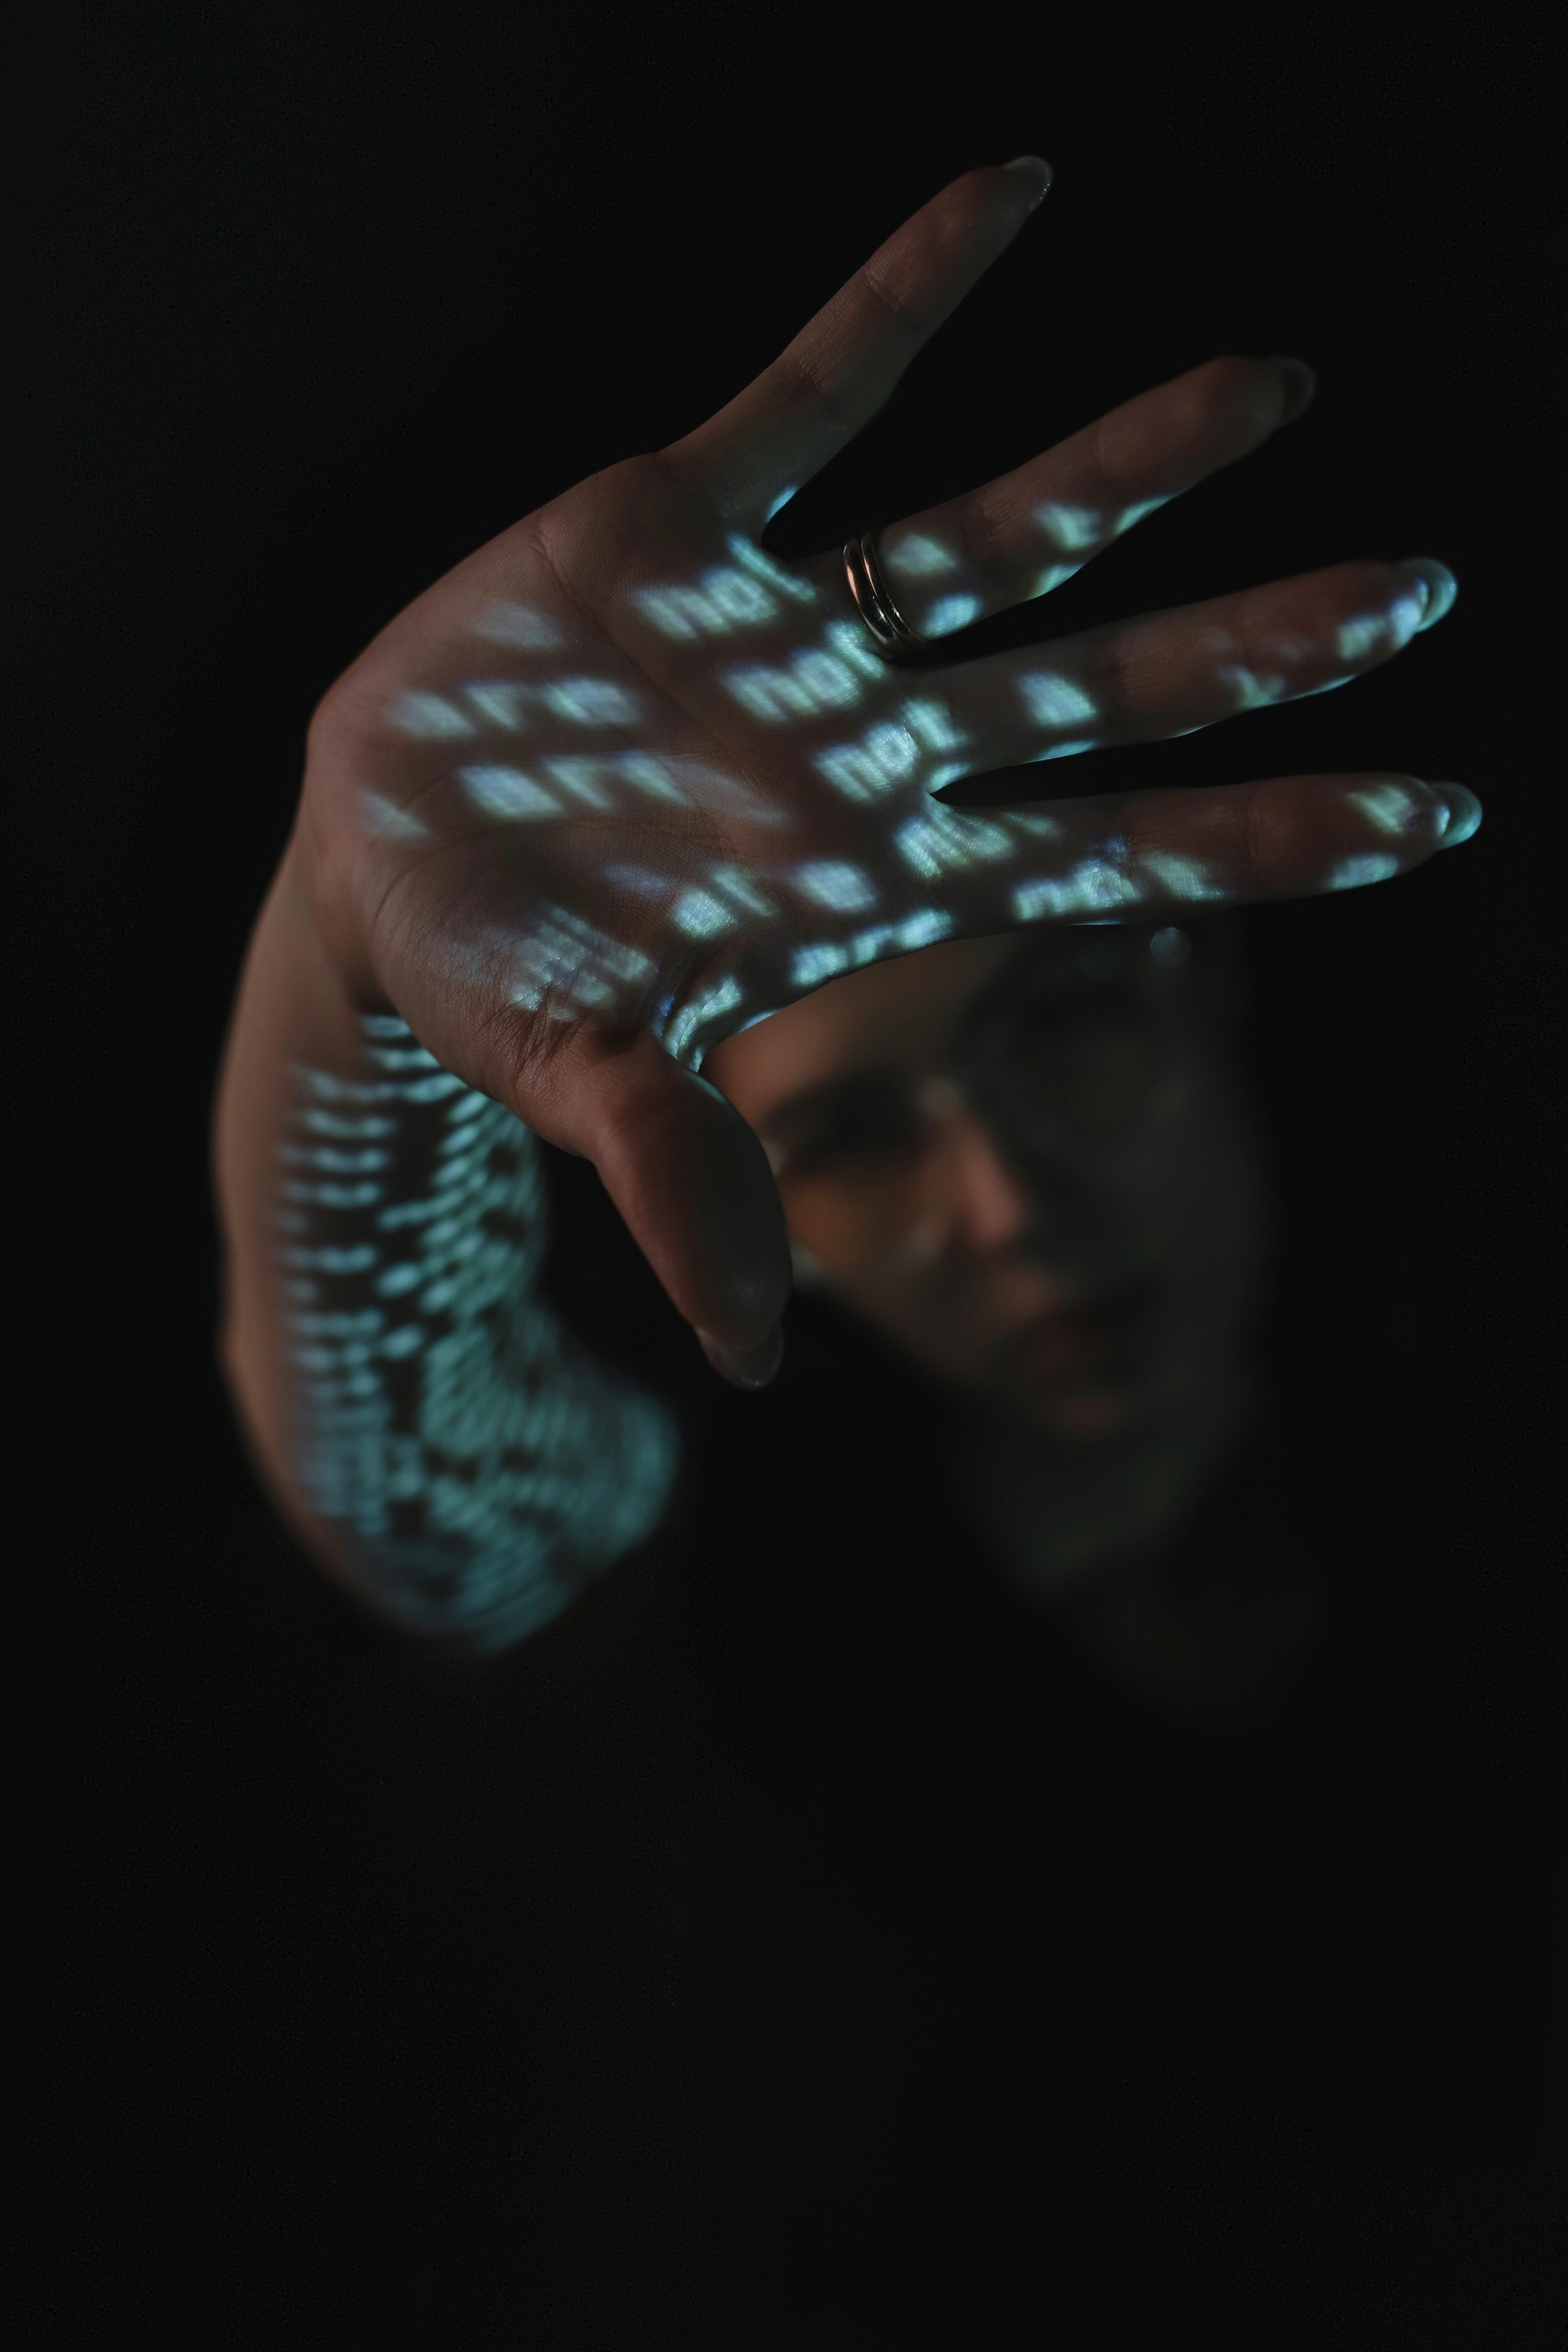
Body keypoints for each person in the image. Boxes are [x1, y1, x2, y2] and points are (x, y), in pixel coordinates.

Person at [210, 158, 1490, 2199]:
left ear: (1219, 970)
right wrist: (340, 955)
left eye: (1065, 1026)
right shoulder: (734, 1613)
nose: (1005, 1208)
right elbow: (423, 1500)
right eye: (851, 1139)